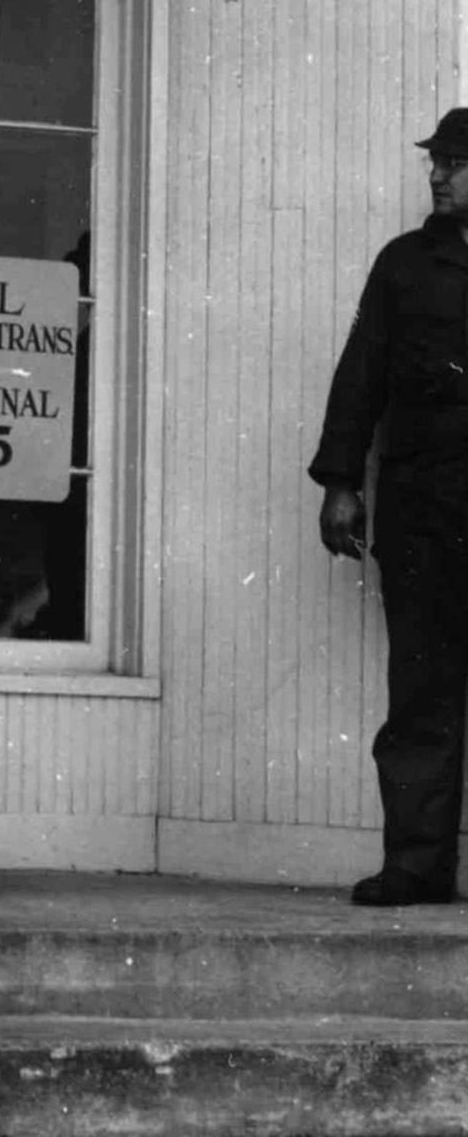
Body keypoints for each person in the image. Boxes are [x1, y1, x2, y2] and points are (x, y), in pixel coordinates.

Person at [310, 106, 468, 909]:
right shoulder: (404, 265)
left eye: (454, 162)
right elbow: (360, 373)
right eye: (434, 161)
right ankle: (416, 865)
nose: (438, 174)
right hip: (425, 512)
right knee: (422, 690)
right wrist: (342, 481)